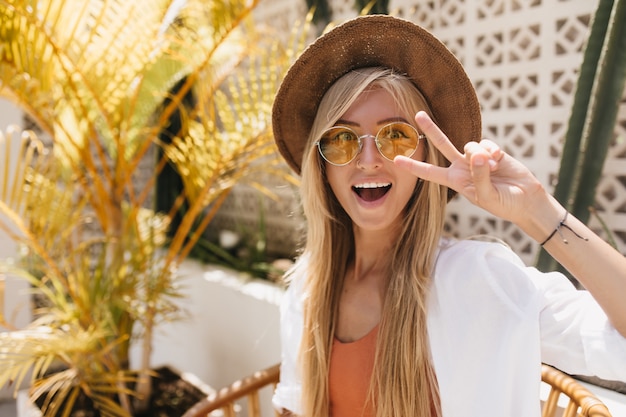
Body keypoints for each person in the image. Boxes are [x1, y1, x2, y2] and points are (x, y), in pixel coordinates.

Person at [269, 14, 626, 417]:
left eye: (396, 136)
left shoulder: (474, 280)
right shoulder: (307, 285)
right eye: (342, 139)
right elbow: (293, 406)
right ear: (323, 166)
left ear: (426, 155)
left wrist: (537, 211)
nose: (368, 161)